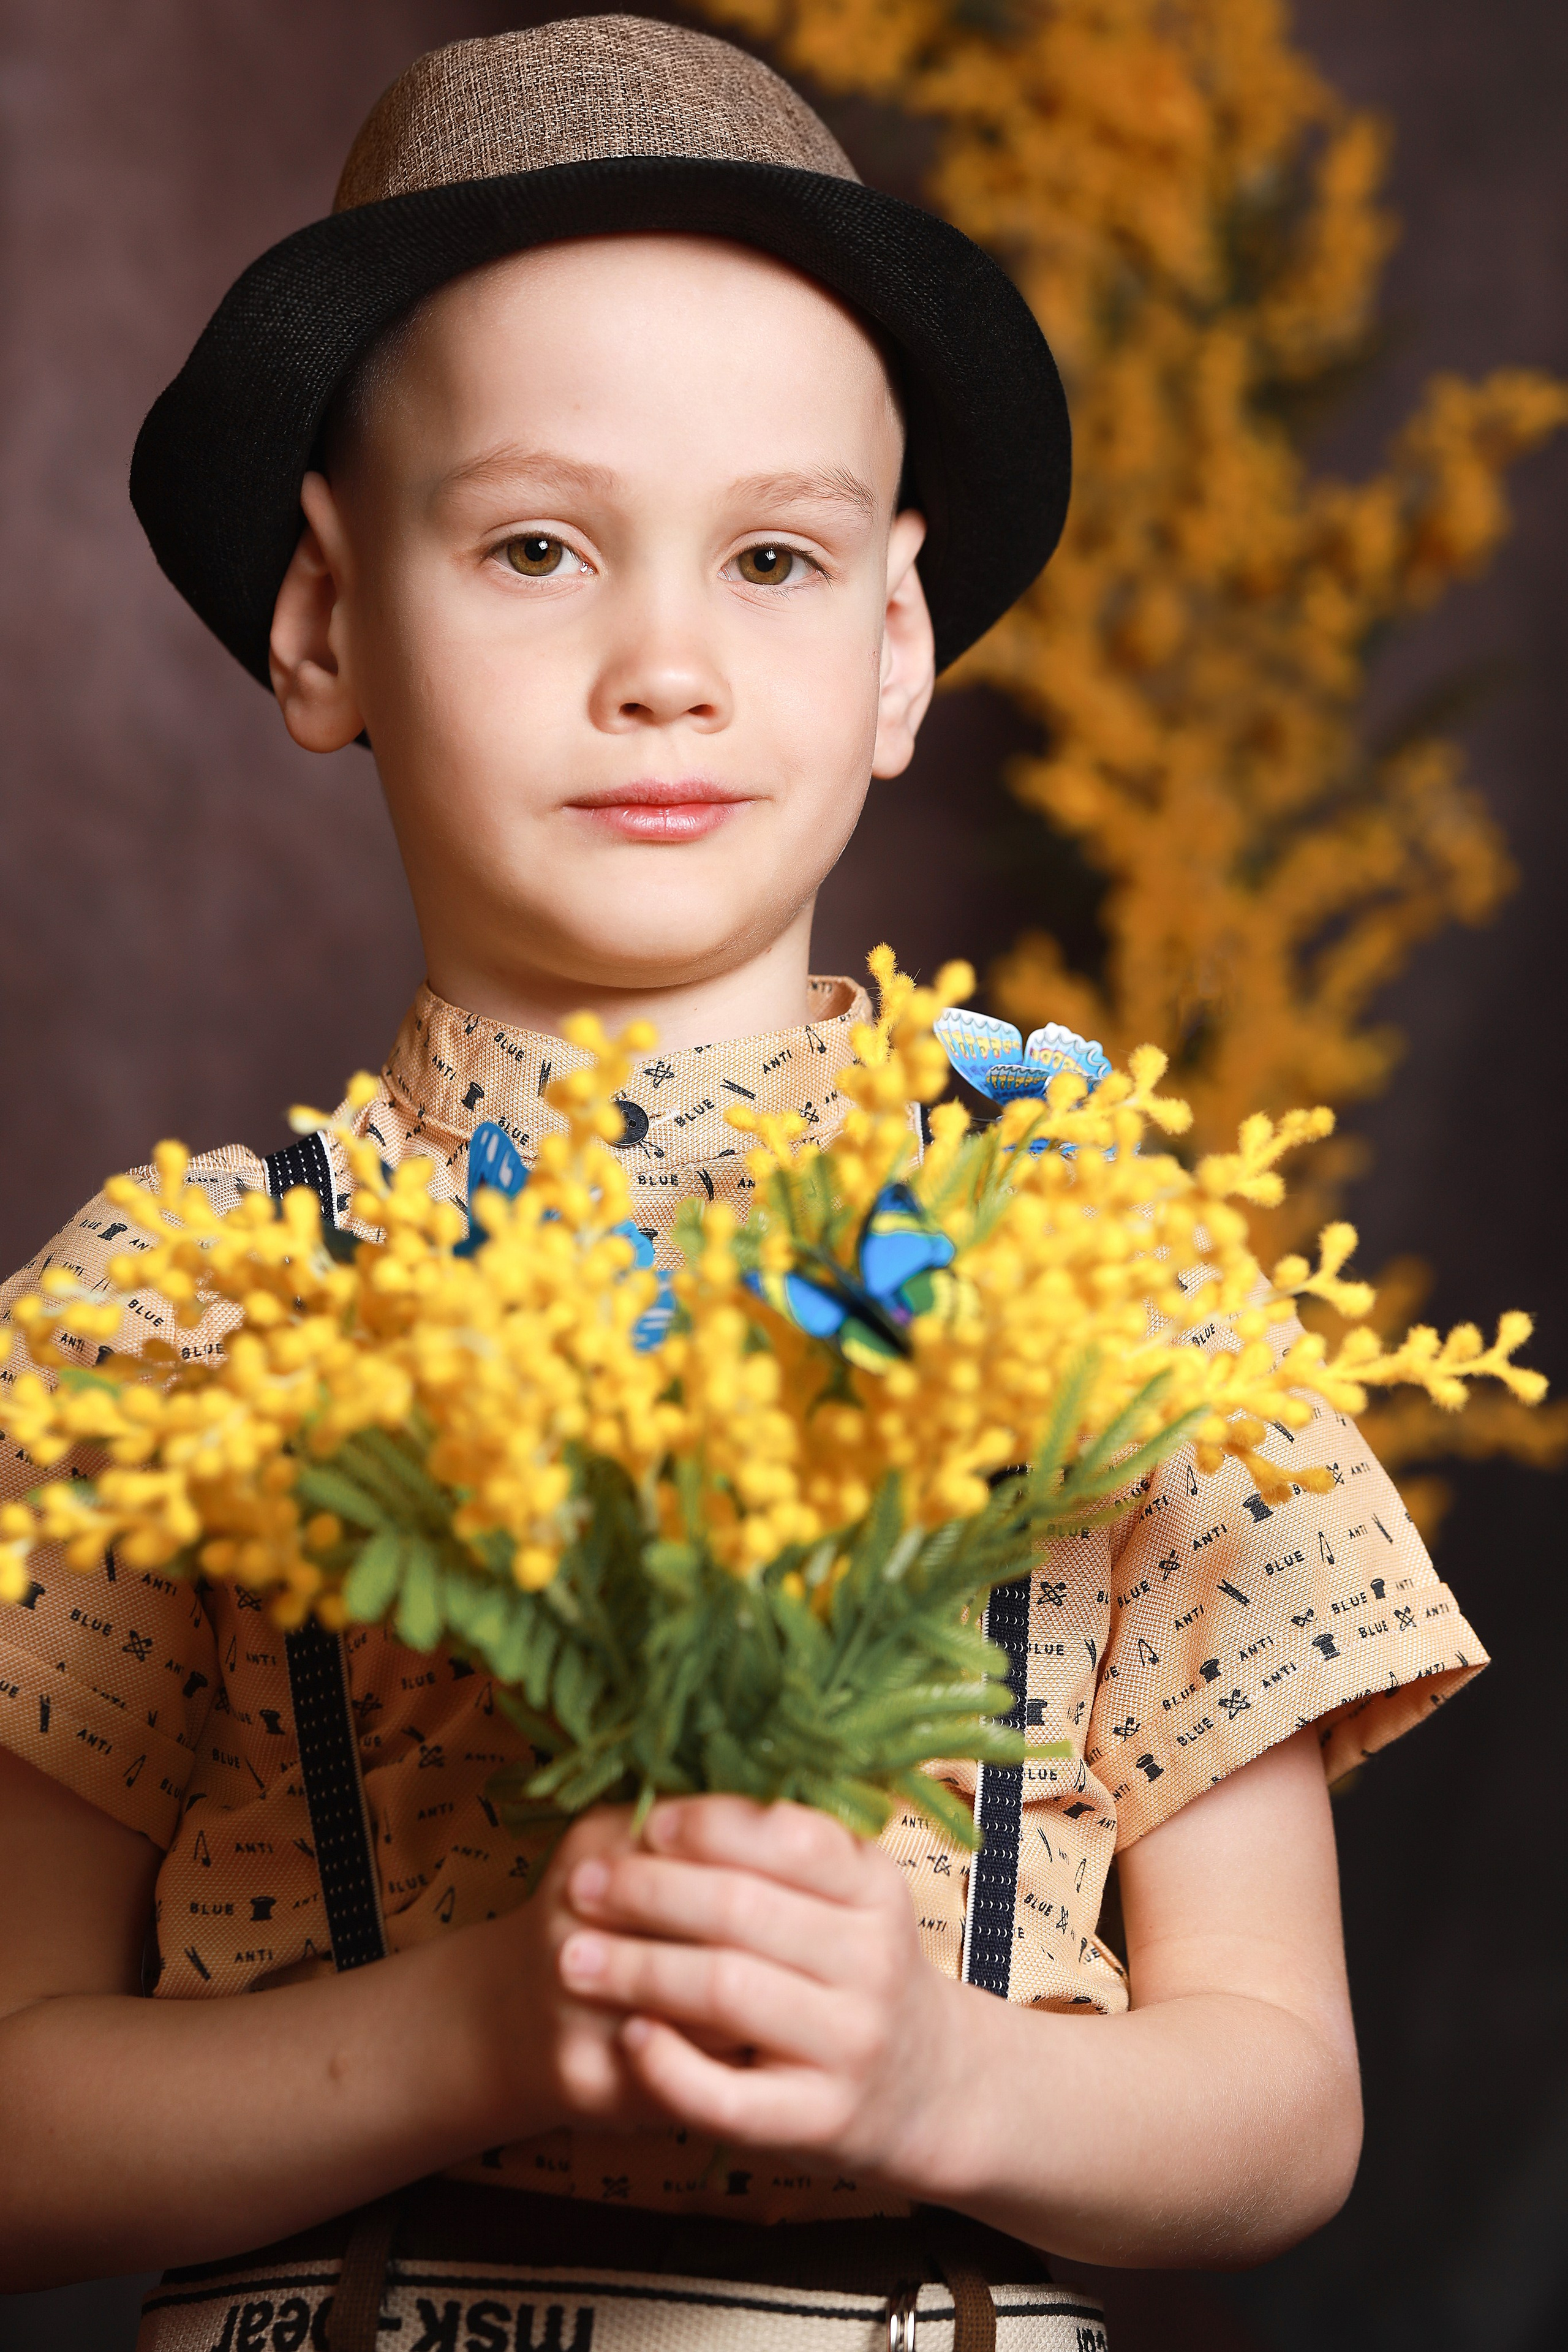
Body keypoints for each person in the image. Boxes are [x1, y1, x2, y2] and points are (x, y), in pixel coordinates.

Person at [0, 19, 1487, 2350]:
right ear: (322, 623)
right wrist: (494, 2028)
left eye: (772, 556)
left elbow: (1285, 2110)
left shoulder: (1096, 1259)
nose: (666, 665)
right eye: (534, 547)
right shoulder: (167, 1316)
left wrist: (932, 2072)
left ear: (896, 642)